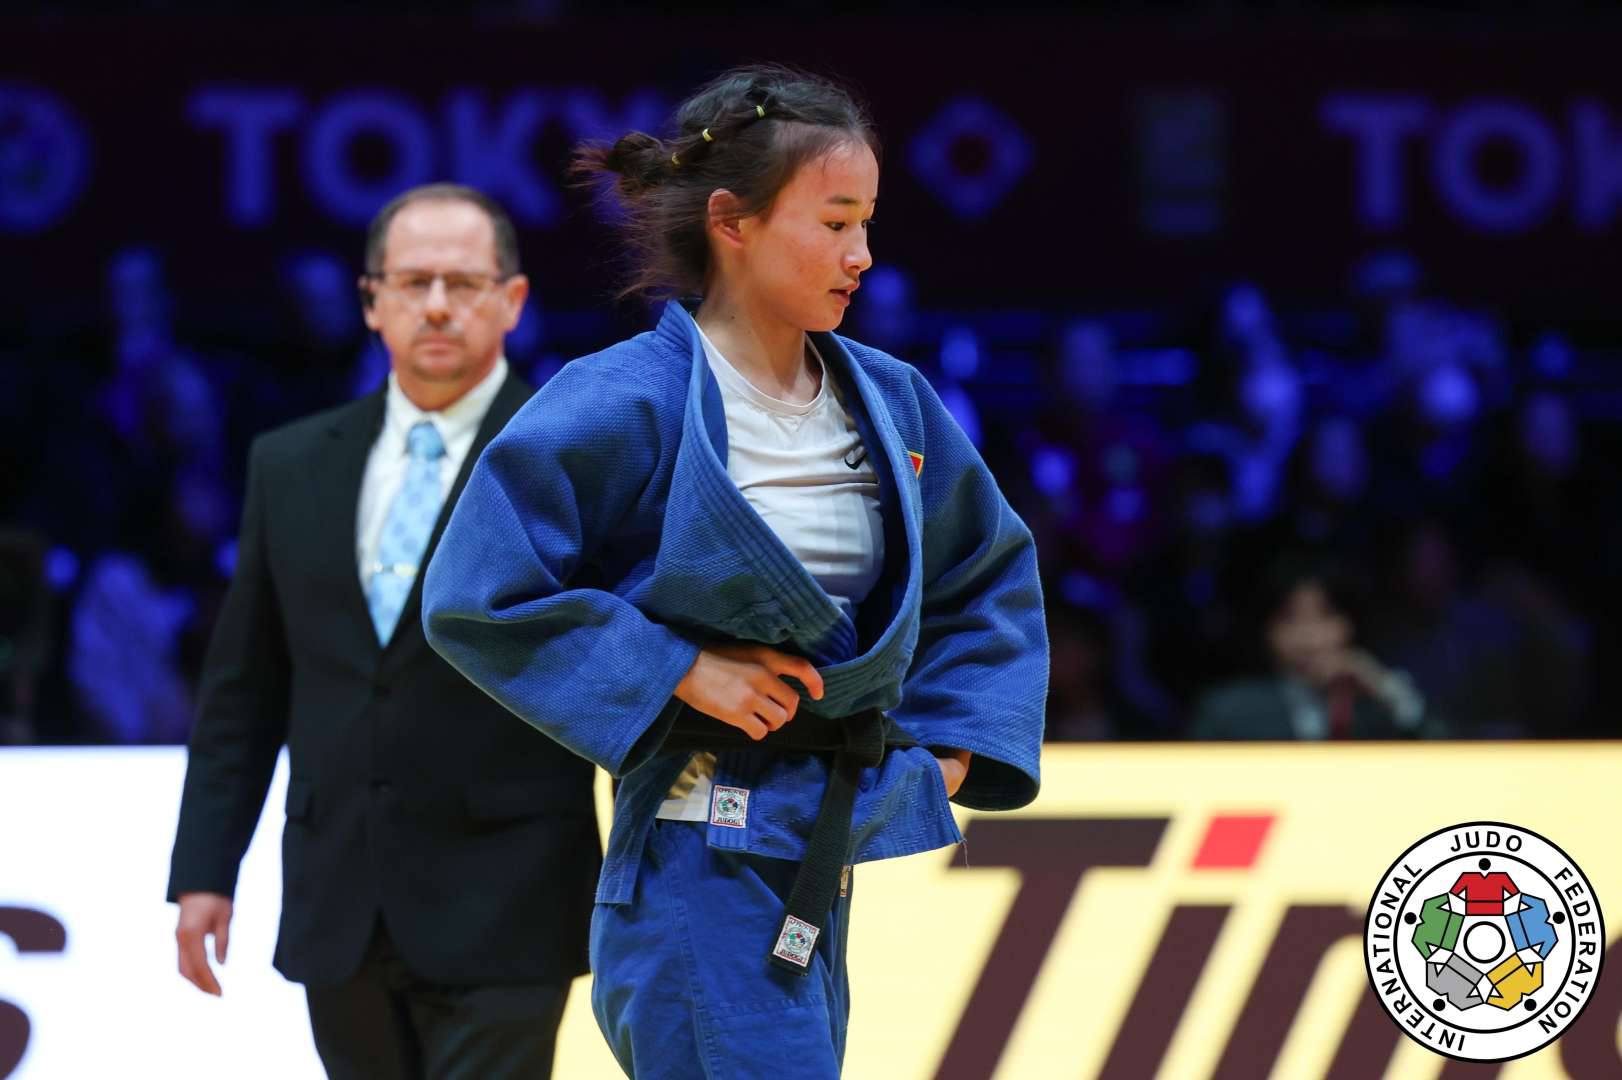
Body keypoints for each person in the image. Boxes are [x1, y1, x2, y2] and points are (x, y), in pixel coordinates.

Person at [421, 66, 1047, 1078]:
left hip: (816, 846)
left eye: (866, 224)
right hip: (692, 849)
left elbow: (986, 575)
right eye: (834, 223)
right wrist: (673, 666)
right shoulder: (626, 398)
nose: (861, 255)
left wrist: (952, 750)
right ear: (731, 222)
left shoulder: (890, 400)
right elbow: (478, 592)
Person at [166, 183, 600, 1080]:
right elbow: (245, 690)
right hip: (341, 897)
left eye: (463, 282)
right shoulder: (289, 464)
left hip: (512, 895)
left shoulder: (576, 458)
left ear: (513, 299)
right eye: (412, 282)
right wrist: (206, 870)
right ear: (372, 301)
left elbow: (618, 664)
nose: (436, 305)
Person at [1190, 554, 1433, 740]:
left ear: (1350, 623)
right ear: (1266, 631)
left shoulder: (1382, 706)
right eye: (1289, 618)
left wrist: (1385, 689)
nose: (1309, 637)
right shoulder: (1228, 713)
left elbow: (1445, 758)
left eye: (1324, 615)